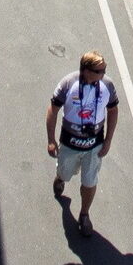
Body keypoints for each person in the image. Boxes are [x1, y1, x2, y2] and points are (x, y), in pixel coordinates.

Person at [47, 50, 120, 237]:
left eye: (104, 70)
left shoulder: (107, 86)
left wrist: (108, 140)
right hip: (70, 144)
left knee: (90, 181)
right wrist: (51, 140)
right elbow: (53, 110)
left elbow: (113, 111)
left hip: (93, 146)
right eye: (99, 71)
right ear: (86, 70)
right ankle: (61, 177)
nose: (103, 74)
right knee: (65, 171)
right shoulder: (68, 83)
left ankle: (84, 214)